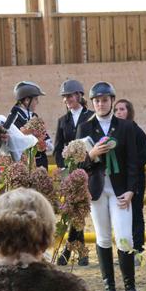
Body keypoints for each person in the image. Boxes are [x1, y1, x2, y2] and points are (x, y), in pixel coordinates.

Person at [77, 82, 145, 291]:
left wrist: (131, 190)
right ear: (93, 103)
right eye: (97, 100)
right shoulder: (85, 128)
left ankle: (130, 288)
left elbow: (133, 161)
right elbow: (78, 165)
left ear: (112, 101)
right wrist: (91, 155)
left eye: (105, 100)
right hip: (97, 190)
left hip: (120, 190)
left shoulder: (126, 127)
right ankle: (110, 288)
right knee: (103, 237)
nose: (100, 104)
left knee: (124, 237)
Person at [54, 79, 92, 266]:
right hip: (71, 173)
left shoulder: (91, 117)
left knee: (79, 211)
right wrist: (65, 167)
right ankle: (81, 252)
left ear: (79, 95)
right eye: (65, 97)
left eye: (69, 96)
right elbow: (57, 148)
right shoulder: (63, 121)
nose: (66, 99)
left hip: (89, 171)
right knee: (76, 212)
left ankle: (68, 251)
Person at [113, 99, 146, 260]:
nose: (119, 112)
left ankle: (138, 249)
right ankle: (124, 250)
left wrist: (127, 168)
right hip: (118, 181)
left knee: (136, 214)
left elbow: (143, 158)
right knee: (121, 215)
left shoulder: (138, 133)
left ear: (129, 112)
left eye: (122, 109)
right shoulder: (113, 132)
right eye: (116, 110)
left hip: (135, 181)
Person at [11, 81, 53, 169]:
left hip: (41, 164)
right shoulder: (14, 118)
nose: (37, 102)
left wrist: (45, 143)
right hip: (25, 166)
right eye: (36, 99)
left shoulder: (34, 116)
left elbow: (48, 141)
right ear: (27, 100)